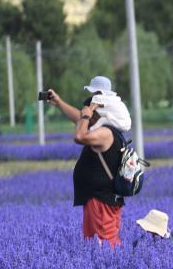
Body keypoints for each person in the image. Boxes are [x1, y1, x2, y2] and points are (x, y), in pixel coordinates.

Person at [47, 76, 131, 247]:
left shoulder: (105, 133)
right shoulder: (105, 129)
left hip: (101, 202)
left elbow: (79, 136)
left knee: (103, 246)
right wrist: (59, 103)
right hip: (100, 199)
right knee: (99, 246)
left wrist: (86, 115)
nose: (86, 115)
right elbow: (80, 119)